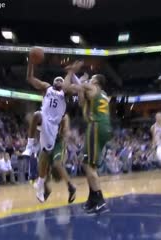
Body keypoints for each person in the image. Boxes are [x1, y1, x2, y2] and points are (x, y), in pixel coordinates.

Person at [21, 57, 78, 203]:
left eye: (61, 80)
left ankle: (70, 186)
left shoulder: (64, 95)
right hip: (46, 128)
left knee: (56, 166)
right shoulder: (46, 88)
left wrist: (71, 73)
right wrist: (30, 63)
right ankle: (44, 186)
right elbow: (30, 78)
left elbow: (67, 87)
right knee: (42, 165)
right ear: (52, 82)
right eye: (57, 79)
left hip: (57, 139)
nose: (59, 81)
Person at [64, 69, 112, 214]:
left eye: (92, 78)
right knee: (88, 165)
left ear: (96, 81)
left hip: (96, 126)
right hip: (102, 127)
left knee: (88, 165)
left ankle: (100, 201)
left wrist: (72, 74)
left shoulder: (94, 87)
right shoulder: (99, 94)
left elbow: (69, 87)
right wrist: (80, 82)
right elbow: (81, 102)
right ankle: (92, 199)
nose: (90, 79)